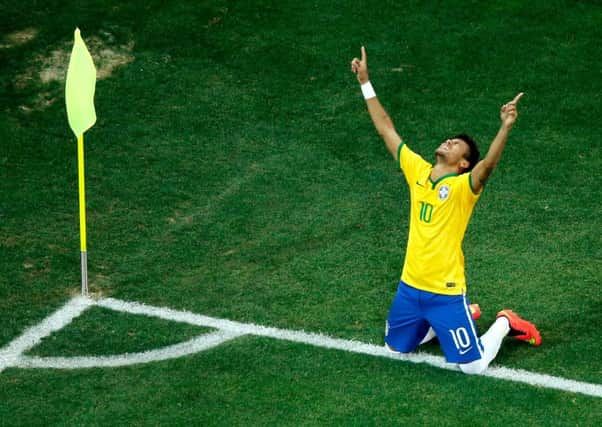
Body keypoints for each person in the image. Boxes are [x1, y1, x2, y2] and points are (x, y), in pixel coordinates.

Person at [350, 46, 540, 374]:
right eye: (449, 139)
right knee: (395, 349)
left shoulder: (464, 189)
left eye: (457, 145)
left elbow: (489, 165)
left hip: (446, 293)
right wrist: (365, 82)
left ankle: (505, 322)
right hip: (410, 287)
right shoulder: (418, 171)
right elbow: (386, 128)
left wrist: (505, 126)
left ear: (464, 163)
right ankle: (442, 326)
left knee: (474, 366)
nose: (449, 142)